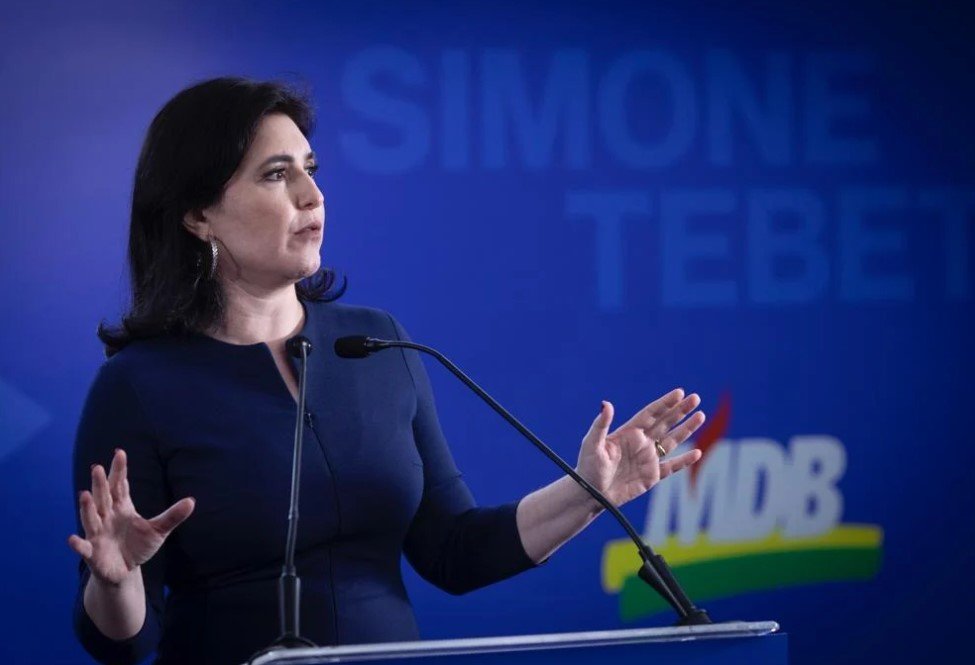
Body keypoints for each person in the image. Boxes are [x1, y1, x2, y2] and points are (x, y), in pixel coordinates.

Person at [67, 76, 706, 665]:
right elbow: (124, 642)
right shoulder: (141, 386)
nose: (313, 195)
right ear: (197, 213)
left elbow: (452, 550)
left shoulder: (378, 344)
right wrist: (115, 581)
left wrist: (589, 492)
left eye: (310, 170)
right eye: (275, 175)